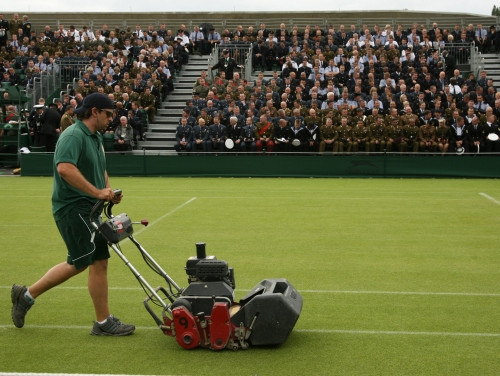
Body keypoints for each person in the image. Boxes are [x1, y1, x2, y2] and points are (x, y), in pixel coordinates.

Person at [11, 93, 135, 336]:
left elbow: (101, 168)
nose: (111, 119)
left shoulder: (95, 136)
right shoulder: (73, 135)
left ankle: (27, 296)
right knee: (87, 262)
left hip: (89, 209)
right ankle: (29, 297)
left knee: (91, 261)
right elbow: (65, 169)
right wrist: (97, 192)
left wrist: (108, 192)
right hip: (73, 208)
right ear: (95, 111)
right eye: (108, 114)